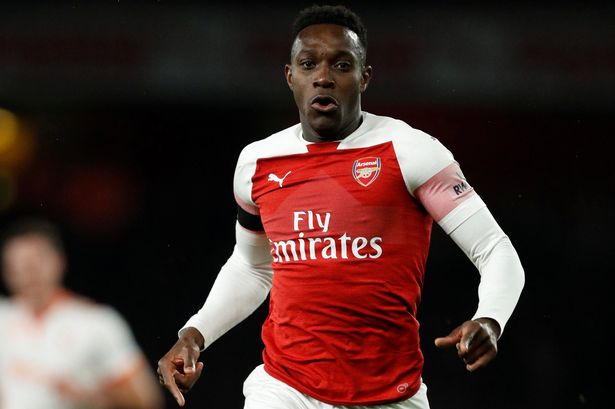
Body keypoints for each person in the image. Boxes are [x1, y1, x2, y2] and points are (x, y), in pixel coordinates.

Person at [157, 4, 525, 409]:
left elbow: (494, 248)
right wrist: (194, 334)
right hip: (284, 388)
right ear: (290, 76)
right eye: (308, 64)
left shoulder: (410, 150)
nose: (324, 77)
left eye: (342, 65)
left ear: (364, 77)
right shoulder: (257, 163)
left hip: (390, 393)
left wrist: (490, 317)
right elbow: (252, 266)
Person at [0, 218, 164, 409]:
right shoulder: (4, 316)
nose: (29, 273)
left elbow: (147, 399)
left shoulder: (97, 322)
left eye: (36, 262)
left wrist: (96, 399)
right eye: (18, 265)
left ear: (59, 260)